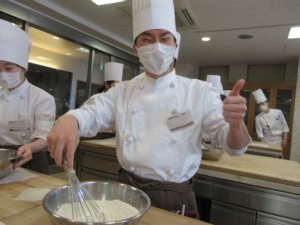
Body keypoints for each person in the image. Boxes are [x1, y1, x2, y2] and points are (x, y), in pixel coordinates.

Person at [47, 0, 250, 211]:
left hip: (174, 197)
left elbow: (235, 148)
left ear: (175, 45)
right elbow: (90, 113)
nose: (157, 45)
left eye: (164, 38)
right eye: (147, 39)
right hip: (126, 192)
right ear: (136, 50)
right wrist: (70, 118)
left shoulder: (199, 91)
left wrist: (236, 124)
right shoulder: (121, 91)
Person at [0, 19, 56, 174]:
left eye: (8, 68)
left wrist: (29, 147)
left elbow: (45, 137)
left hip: (31, 158)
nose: (2, 73)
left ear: (23, 68)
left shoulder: (41, 98)